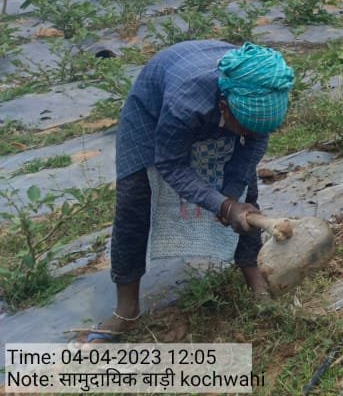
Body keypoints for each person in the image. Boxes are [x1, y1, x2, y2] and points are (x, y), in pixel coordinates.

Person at [82, 41, 294, 343]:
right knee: (134, 200)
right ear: (224, 108)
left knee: (248, 195)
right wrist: (222, 206)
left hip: (220, 103)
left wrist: (232, 196)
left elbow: (255, 142)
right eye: (245, 127)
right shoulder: (186, 100)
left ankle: (255, 282)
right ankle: (126, 310)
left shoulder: (262, 91)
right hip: (151, 112)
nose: (250, 134)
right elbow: (170, 163)